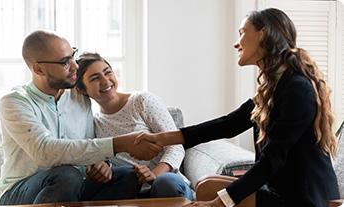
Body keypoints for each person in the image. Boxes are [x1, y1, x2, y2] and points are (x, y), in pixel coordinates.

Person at [134, 8, 340, 207]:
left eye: (242, 33)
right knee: (206, 186)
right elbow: (227, 125)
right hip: (282, 190)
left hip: (303, 199)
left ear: (263, 33)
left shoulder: (297, 88)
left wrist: (217, 203)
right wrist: (160, 139)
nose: (236, 44)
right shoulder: (275, 88)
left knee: (210, 193)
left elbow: (272, 160)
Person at [0, 30, 161, 205]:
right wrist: (119, 143)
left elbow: (87, 143)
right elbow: (45, 152)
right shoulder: (14, 102)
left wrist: (101, 164)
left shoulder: (79, 96)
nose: (75, 66)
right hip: (21, 191)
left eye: (73, 55)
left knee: (128, 174)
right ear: (38, 68)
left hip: (73, 184)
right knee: (66, 175)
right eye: (65, 62)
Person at [75, 52, 194, 200]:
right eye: (95, 78)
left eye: (108, 72)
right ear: (82, 90)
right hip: (129, 190)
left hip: (167, 183)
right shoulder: (93, 123)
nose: (106, 81)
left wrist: (154, 175)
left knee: (165, 182)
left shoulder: (141, 101)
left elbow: (176, 146)